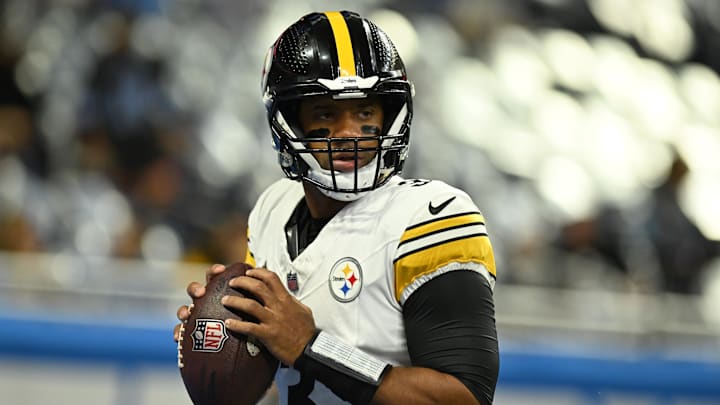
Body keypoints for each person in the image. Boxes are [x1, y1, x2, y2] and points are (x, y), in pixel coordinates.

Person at [174, 10, 499, 405]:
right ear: (289, 122)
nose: (348, 134)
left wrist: (314, 347)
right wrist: (224, 350)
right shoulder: (272, 211)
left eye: (365, 112)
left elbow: (467, 399)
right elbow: (288, 385)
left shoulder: (430, 216)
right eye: (326, 113)